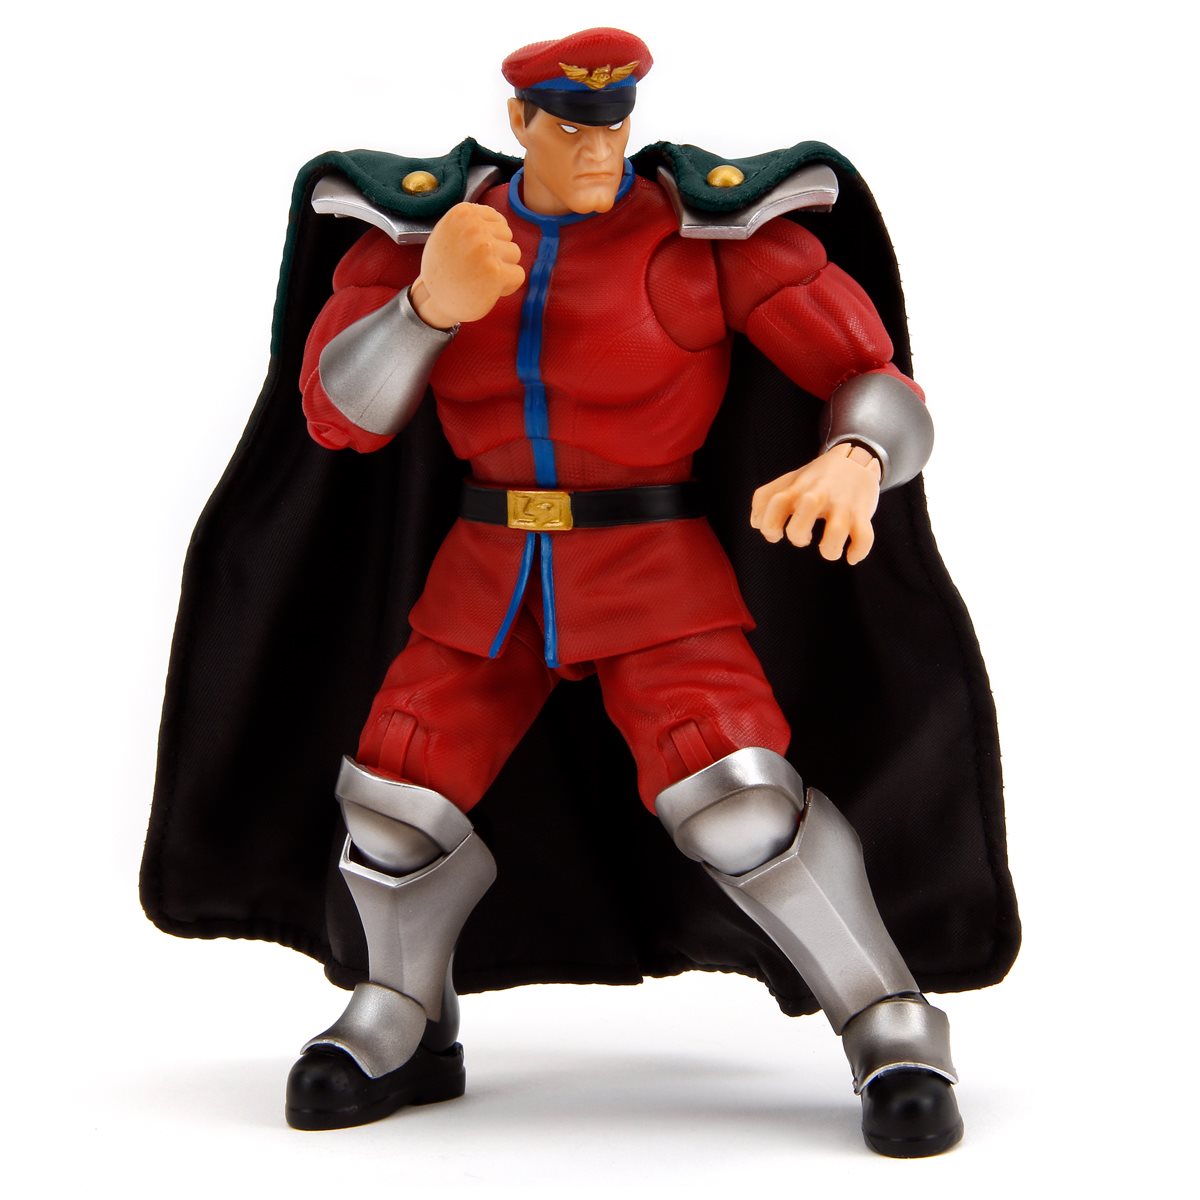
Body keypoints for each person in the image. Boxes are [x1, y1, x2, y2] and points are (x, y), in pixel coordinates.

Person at [279, 27, 968, 1156]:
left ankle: (890, 1020)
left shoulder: (710, 234)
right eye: (570, 128)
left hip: (649, 566)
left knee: (740, 798)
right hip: (490, 568)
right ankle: (403, 1014)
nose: (598, 150)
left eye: (613, 126)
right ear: (520, 123)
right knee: (394, 794)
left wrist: (858, 456)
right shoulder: (422, 233)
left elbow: (872, 374)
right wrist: (427, 306)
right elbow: (336, 417)